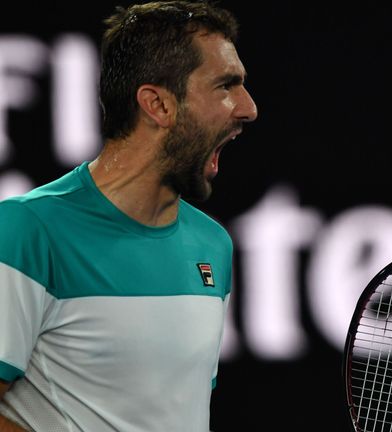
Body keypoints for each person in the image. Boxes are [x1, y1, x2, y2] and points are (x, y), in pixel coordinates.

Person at [0, 0, 257, 430]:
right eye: (225, 85)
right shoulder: (26, 232)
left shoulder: (212, 246)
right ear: (157, 105)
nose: (249, 108)